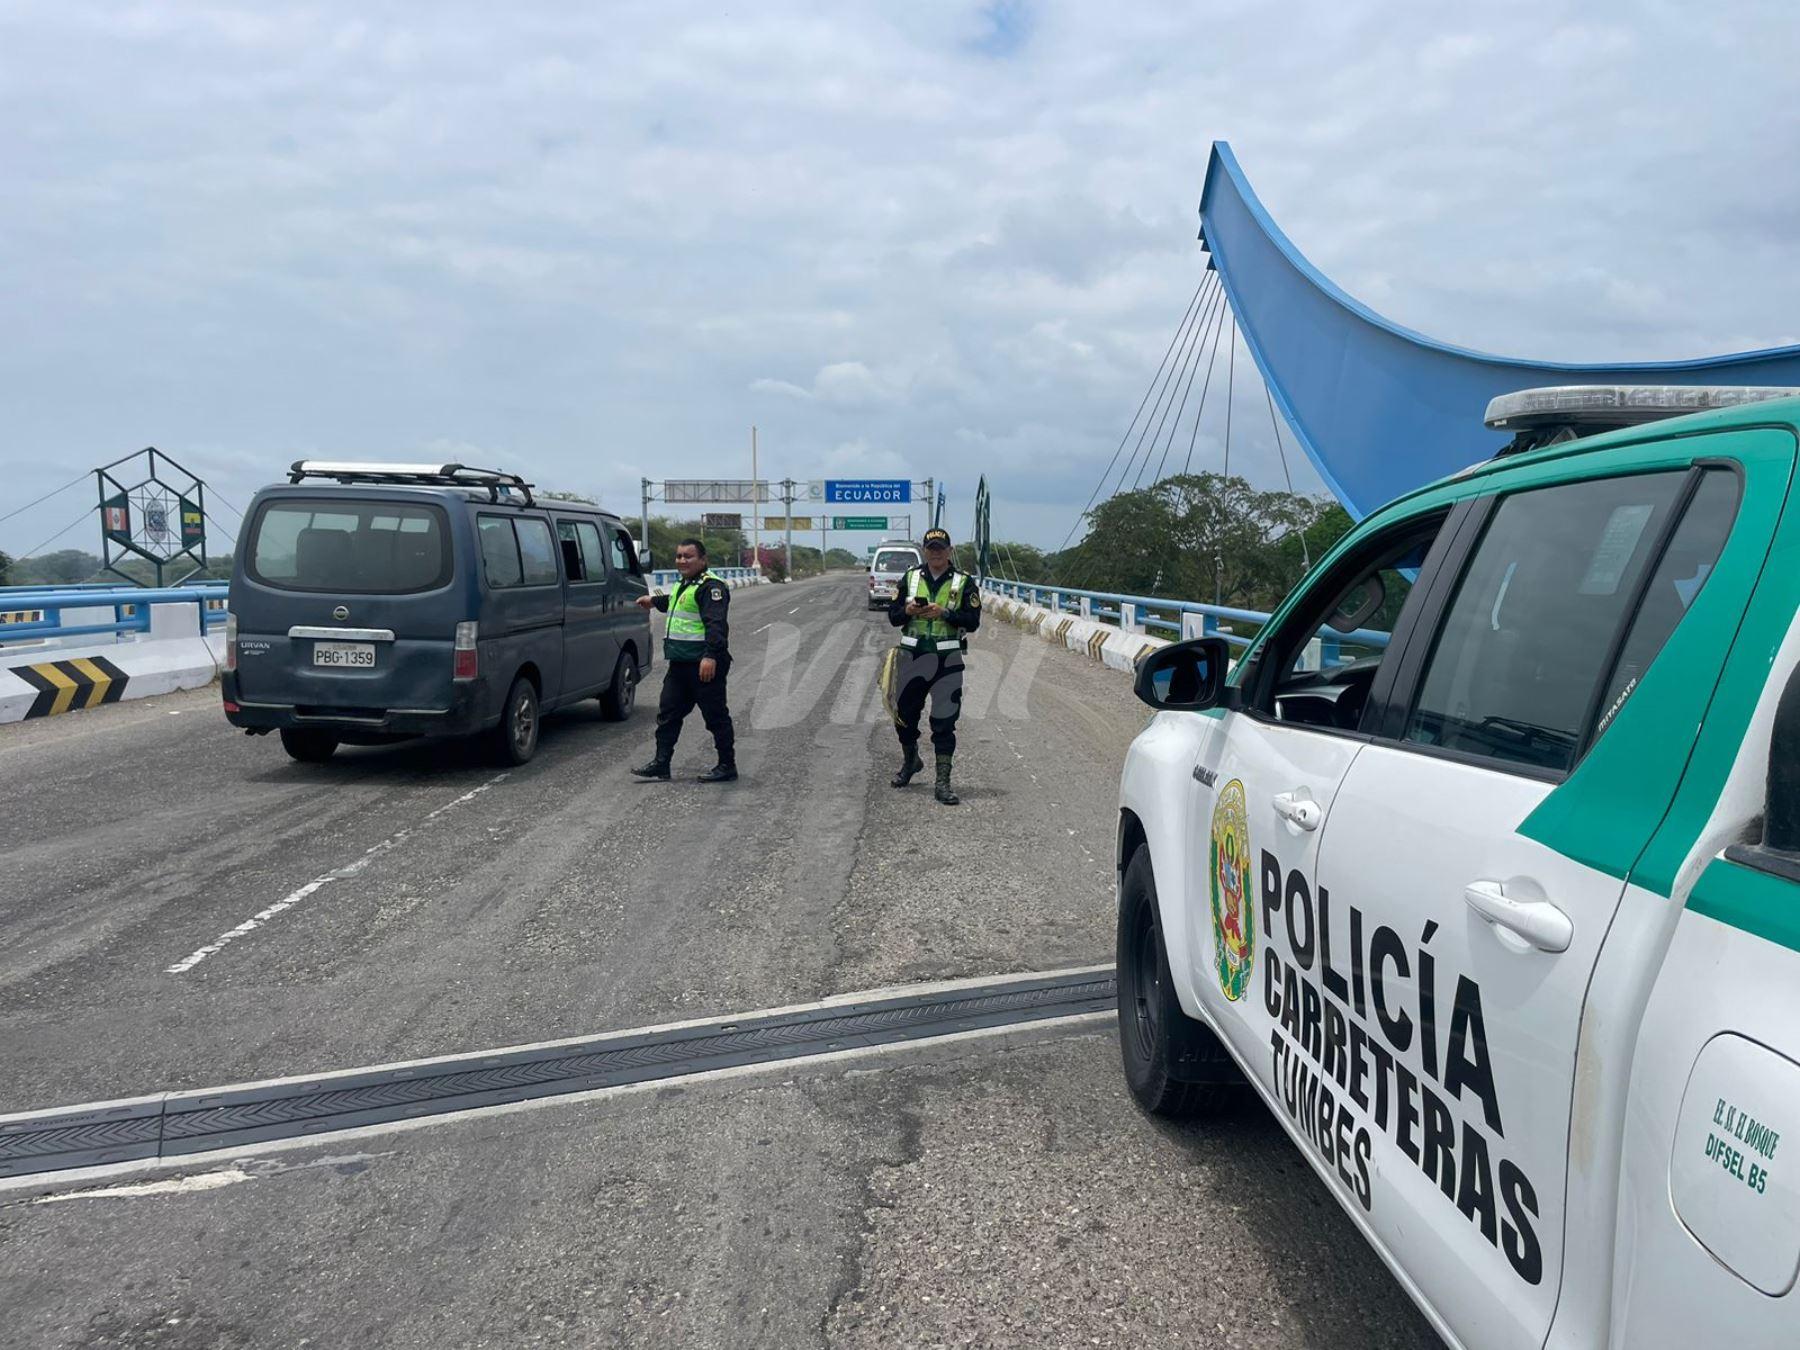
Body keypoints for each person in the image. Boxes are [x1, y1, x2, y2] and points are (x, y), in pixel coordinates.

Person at [886, 526, 980, 804]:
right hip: (912, 658)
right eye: (931, 549)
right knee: (904, 718)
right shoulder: (910, 578)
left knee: (944, 721)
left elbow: (973, 621)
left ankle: (943, 783)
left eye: (941, 549)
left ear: (950, 551)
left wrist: (945, 613)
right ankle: (911, 761)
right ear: (925, 552)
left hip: (947, 660)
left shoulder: (964, 582)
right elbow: (893, 617)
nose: (936, 553)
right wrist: (907, 610)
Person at [632, 538, 736, 783]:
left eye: (688, 556)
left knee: (715, 716)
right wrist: (653, 601)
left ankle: (727, 765)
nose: (682, 561)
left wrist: (710, 656)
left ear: (703, 559)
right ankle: (661, 763)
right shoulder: (686, 584)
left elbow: (716, 625)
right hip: (680, 663)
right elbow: (675, 602)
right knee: (668, 713)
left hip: (704, 664)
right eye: (679, 556)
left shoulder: (711, 587)